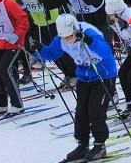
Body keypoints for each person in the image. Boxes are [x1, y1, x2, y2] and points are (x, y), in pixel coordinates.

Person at [33, 14, 116, 162]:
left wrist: (90, 42)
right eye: (64, 37)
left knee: (95, 111)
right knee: (81, 113)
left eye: (70, 36)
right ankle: (82, 145)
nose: (68, 40)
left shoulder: (89, 32)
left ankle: (100, 145)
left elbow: (106, 51)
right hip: (84, 77)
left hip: (103, 75)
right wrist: (39, 49)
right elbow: (50, 53)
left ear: (75, 30)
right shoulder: (61, 39)